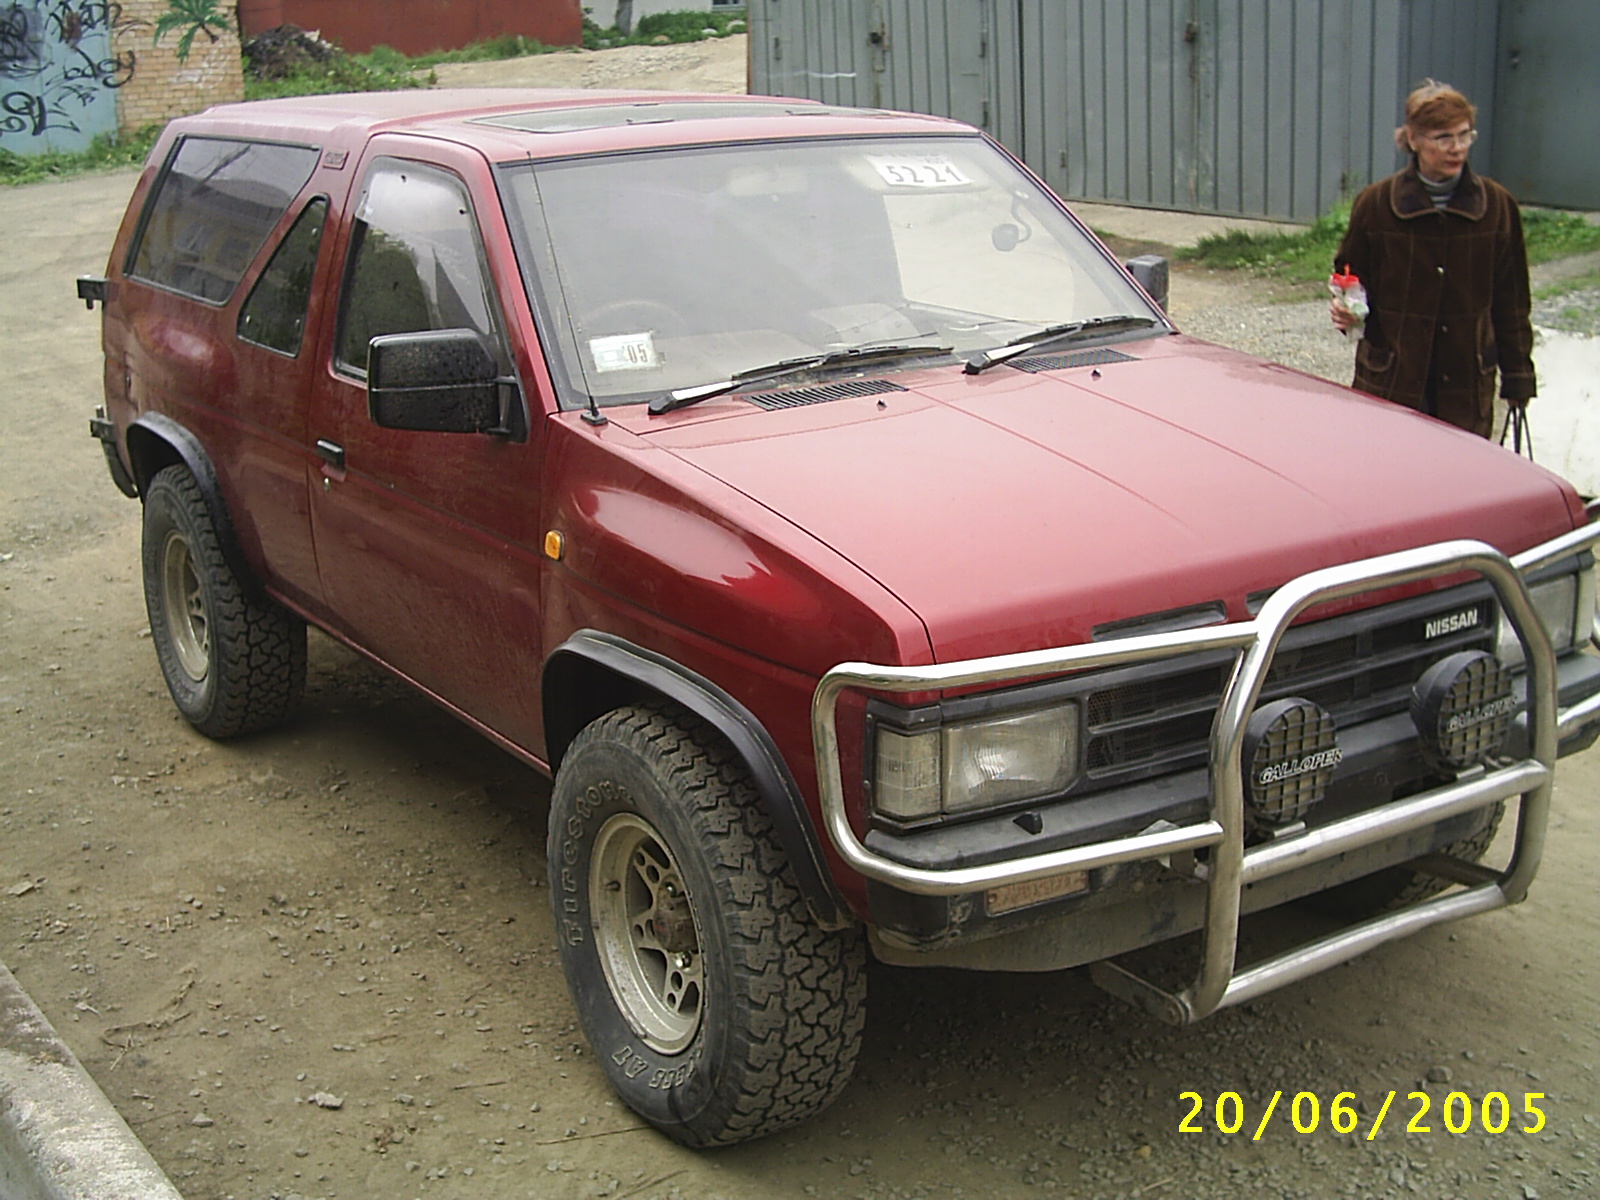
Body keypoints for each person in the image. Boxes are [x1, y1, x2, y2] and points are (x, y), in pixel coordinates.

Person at [1330, 80, 1535, 437]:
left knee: (1461, 481)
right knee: (1386, 475)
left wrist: (1518, 377)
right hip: (1392, 378)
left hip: (1464, 382)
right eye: (1443, 138)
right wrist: (1349, 311)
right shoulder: (1376, 204)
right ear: (1412, 140)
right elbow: (1349, 276)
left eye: (1464, 135)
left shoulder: (1497, 207)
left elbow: (1512, 301)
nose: (1457, 148)